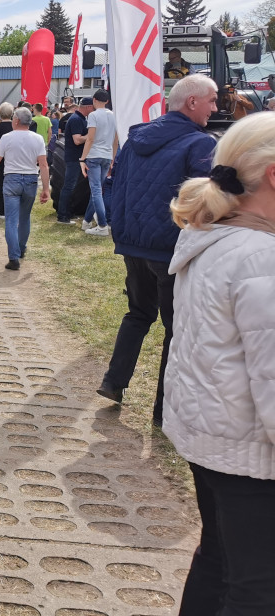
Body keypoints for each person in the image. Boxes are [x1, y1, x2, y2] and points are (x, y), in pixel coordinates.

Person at [163, 112, 275, 615]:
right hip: (251, 454)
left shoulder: (213, 239)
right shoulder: (258, 256)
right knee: (257, 587)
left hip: (210, 438)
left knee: (218, 562)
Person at [96, 75, 217, 422]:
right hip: (170, 250)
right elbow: (205, 203)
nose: (215, 107)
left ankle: (114, 382)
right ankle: (162, 412)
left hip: (134, 246)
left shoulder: (135, 139)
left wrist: (121, 228)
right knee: (176, 329)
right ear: (191, 102)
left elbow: (112, 185)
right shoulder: (200, 144)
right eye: (210, 100)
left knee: (138, 313)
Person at [0, 107, 49, 270]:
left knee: (11, 220)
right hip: (30, 179)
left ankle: (13, 257)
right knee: (25, 217)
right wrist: (46, 189)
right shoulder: (38, 139)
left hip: (11, 179)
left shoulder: (6, 138)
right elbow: (43, 165)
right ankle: (21, 248)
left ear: (16, 120)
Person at [79, 89, 118, 236]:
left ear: (94, 100)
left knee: (95, 190)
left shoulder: (93, 115)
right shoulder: (114, 115)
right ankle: (87, 221)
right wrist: (113, 157)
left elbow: (90, 138)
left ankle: (102, 225)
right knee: (97, 190)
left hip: (94, 155)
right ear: (107, 101)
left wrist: (82, 158)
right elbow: (116, 140)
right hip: (107, 155)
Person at [56, 97, 93, 224]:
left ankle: (68, 213)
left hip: (75, 157)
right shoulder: (77, 119)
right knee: (69, 186)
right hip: (74, 158)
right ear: (88, 107)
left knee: (71, 186)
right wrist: (91, 135)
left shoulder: (79, 118)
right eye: (93, 107)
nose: (93, 110)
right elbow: (77, 140)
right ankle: (62, 216)